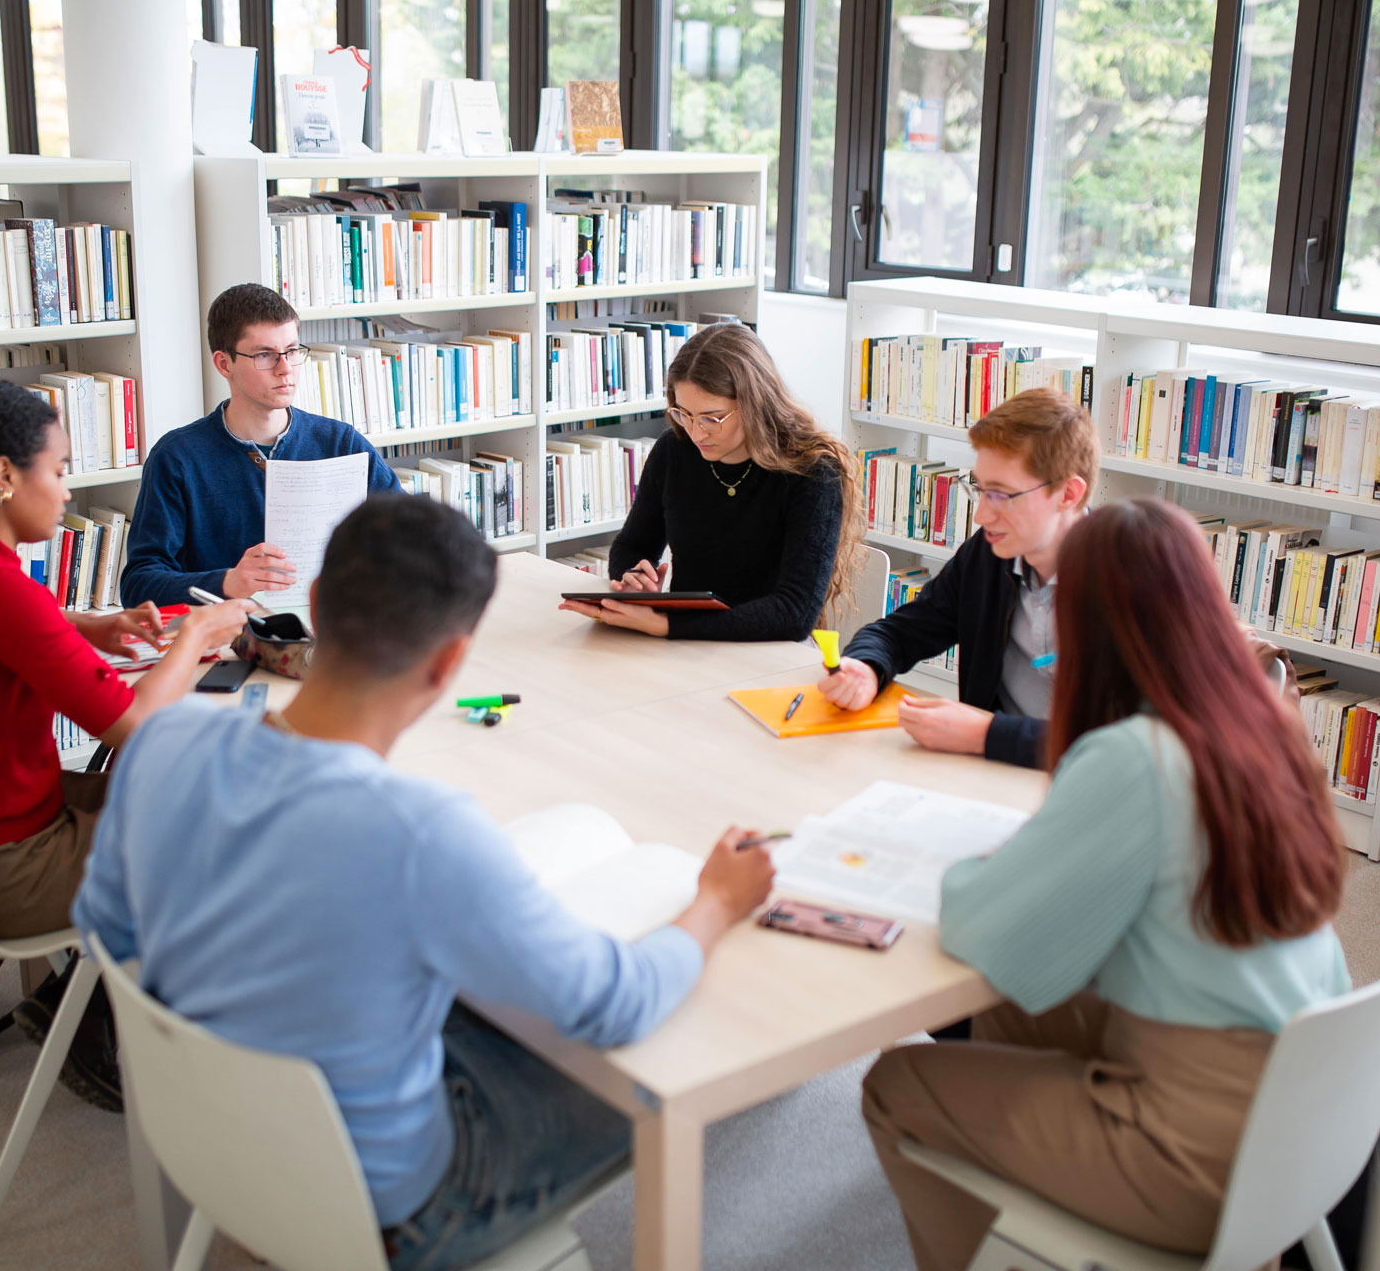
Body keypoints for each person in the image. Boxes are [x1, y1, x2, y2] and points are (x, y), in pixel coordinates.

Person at [75, 494, 777, 1271]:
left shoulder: (164, 741)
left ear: (312, 606)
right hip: (389, 1206)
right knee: (651, 1075)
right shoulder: (417, 833)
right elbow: (616, 1004)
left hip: (208, 1135)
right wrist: (716, 902)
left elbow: (110, 930)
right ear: (450, 663)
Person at [859, 498, 1351, 1271]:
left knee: (896, 1086)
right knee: (1009, 1016)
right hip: (1313, 1097)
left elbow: (979, 926)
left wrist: (978, 864)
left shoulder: (1133, 756)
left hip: (1202, 1145)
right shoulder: (1264, 723)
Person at [0, 379, 253, 1108]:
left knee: (186, 792)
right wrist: (201, 634)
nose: (66, 487)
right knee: (227, 819)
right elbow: (136, 728)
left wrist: (94, 628)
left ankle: (81, 999)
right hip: (10, 868)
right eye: (58, 468)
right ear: (6, 476)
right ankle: (93, 1013)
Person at [817, 387, 1096, 768]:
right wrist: (866, 668)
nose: (980, 516)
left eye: (1002, 495)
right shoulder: (989, 554)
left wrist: (984, 734)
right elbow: (900, 632)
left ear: (1068, 494)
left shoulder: (1129, 581)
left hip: (1088, 789)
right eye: (980, 489)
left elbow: (1132, 745)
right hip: (993, 772)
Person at [558, 321, 862, 642]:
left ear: (754, 403)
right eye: (683, 413)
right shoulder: (674, 450)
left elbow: (795, 613)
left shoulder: (813, 470)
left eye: (711, 418)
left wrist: (664, 626)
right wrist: (634, 578)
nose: (695, 432)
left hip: (768, 652)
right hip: (684, 645)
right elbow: (632, 545)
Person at [118, 283, 400, 607]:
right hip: (227, 643)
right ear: (224, 364)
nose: (285, 369)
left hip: (337, 632)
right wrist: (229, 581)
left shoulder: (341, 443)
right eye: (265, 355)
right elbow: (138, 585)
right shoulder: (177, 458)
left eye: (292, 351)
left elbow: (409, 537)